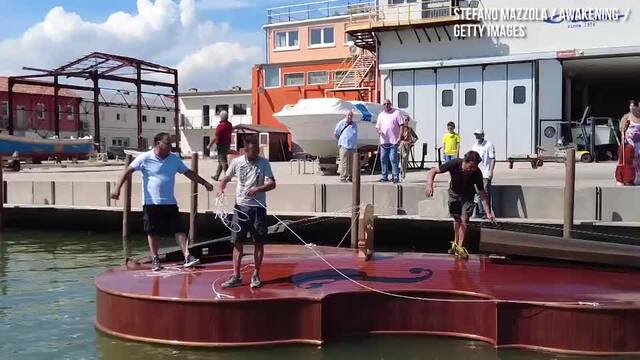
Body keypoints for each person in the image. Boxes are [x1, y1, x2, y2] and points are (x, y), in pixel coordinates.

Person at [112, 132, 214, 271]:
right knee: (153, 232)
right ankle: (155, 259)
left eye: (171, 143)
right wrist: (117, 189)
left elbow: (188, 172)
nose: (170, 146)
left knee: (179, 230)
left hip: (170, 202)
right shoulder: (145, 158)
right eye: (167, 143)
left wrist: (204, 182)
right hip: (151, 202)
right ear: (158, 143)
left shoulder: (174, 159)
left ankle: (187, 256)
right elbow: (127, 171)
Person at [218, 135, 277, 289]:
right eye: (252, 151)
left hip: (258, 208)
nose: (255, 154)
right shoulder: (237, 162)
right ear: (245, 150)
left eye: (257, 150)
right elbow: (225, 178)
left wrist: (258, 188)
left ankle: (256, 273)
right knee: (237, 242)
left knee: (258, 241)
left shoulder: (264, 163)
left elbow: (272, 183)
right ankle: (236, 276)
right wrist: (221, 189)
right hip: (240, 207)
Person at [425, 151, 495, 258]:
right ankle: (456, 243)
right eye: (470, 167)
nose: (472, 170)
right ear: (465, 162)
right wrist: (430, 185)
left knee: (465, 219)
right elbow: (433, 171)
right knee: (457, 219)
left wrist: (488, 213)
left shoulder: (477, 173)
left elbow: (482, 194)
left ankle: (460, 247)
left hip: (468, 196)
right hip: (454, 194)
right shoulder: (455, 163)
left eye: (474, 167)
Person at [376, 99, 404, 183]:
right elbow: (377, 127)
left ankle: (395, 176)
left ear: (390, 104)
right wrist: (379, 131)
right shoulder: (381, 115)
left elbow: (401, 125)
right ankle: (384, 176)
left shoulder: (396, 113)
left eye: (388, 104)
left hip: (394, 140)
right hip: (384, 141)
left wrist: (400, 137)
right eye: (384, 104)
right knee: (383, 158)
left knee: (393, 158)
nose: (386, 105)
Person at [470, 129, 496, 218]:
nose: (477, 136)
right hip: (476, 172)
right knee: (477, 192)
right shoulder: (474, 146)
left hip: (485, 173)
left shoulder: (489, 145)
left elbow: (492, 158)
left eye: (479, 135)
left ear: (483, 135)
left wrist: (491, 171)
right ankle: (480, 212)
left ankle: (487, 212)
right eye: (476, 135)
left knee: (485, 192)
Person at [208, 110, 233, 181]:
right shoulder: (229, 125)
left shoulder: (220, 126)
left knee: (223, 161)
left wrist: (209, 145)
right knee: (220, 161)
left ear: (221, 117)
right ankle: (216, 176)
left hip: (221, 145)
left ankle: (228, 177)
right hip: (227, 144)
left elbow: (216, 137)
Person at [334, 110, 358, 182]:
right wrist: (340, 141)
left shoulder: (354, 124)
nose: (350, 117)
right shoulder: (341, 123)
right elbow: (336, 133)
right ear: (346, 115)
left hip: (353, 146)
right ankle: (343, 177)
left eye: (351, 115)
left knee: (352, 163)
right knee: (344, 162)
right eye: (348, 115)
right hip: (344, 145)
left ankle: (350, 177)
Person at [398, 115, 419, 181]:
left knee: (405, 160)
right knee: (400, 160)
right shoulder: (400, 128)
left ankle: (403, 175)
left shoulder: (410, 129)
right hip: (401, 145)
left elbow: (416, 137)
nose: (406, 121)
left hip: (407, 145)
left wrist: (412, 142)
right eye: (405, 120)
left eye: (407, 120)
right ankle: (398, 175)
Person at [626, 103, 640, 185]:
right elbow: (623, 129)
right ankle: (632, 177)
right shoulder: (627, 116)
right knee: (633, 159)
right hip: (631, 142)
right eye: (630, 106)